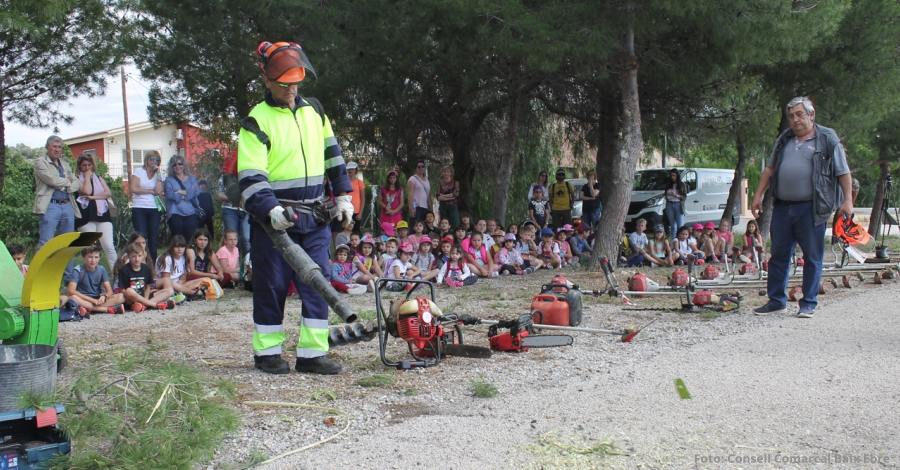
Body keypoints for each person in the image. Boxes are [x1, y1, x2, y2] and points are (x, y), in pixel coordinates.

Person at [237, 41, 354, 375]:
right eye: (284, 83)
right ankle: (267, 352)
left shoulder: (315, 111)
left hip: (316, 215)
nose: (291, 89)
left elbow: (334, 156)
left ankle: (312, 354)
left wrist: (344, 193)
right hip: (275, 220)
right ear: (267, 80)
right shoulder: (255, 122)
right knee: (271, 284)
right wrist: (269, 209)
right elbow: (251, 176)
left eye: (295, 83)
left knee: (319, 281)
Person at [751, 97, 852, 318]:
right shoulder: (784, 139)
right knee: (778, 255)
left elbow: (843, 172)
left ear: (811, 114)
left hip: (811, 209)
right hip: (782, 207)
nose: (795, 120)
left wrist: (848, 201)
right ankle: (776, 300)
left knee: (812, 257)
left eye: (800, 114)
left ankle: (808, 303)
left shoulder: (827, 139)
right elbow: (769, 170)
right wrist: (758, 195)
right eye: (791, 116)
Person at [33, 135, 80, 281]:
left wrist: (66, 185)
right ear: (47, 147)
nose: (57, 150)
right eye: (54, 146)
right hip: (50, 205)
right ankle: (37, 276)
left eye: (59, 147)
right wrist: (68, 182)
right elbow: (51, 180)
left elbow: (77, 182)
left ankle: (67, 279)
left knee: (68, 243)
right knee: (45, 242)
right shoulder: (40, 162)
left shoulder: (65, 164)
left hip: (67, 205)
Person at [73, 154, 117, 272]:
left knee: (109, 246)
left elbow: (107, 193)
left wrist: (93, 197)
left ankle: (118, 275)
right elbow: (87, 190)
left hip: (102, 215)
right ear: (79, 166)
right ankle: (91, 276)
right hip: (85, 217)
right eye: (84, 165)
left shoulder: (99, 178)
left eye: (89, 165)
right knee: (91, 248)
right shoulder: (76, 179)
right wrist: (87, 177)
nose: (87, 168)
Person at [60, 246, 126, 315]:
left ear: (99, 258)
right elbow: (71, 291)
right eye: (90, 257)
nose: (93, 260)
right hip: (83, 299)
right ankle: (106, 309)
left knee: (121, 296)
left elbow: (109, 291)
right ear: (83, 257)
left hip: (96, 299)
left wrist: (104, 297)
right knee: (73, 297)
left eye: (96, 257)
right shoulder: (78, 269)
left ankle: (89, 308)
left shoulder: (101, 270)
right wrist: (92, 300)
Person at [118, 242, 175, 312]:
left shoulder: (147, 268)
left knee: (170, 290)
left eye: (139, 256)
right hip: (131, 298)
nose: (137, 259)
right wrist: (135, 297)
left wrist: (146, 298)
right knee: (129, 291)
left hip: (143, 295)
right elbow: (122, 290)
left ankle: (144, 305)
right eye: (133, 256)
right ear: (129, 256)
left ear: (143, 256)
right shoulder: (124, 270)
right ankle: (154, 305)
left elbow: (148, 287)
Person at [130, 151, 165, 262]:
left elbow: (158, 191)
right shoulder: (139, 171)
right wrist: (150, 191)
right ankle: (140, 262)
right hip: (139, 207)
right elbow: (134, 188)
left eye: (157, 159)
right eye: (152, 159)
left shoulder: (159, 175)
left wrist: (158, 175)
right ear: (146, 159)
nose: (154, 161)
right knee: (140, 237)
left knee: (153, 239)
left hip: (154, 208)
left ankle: (152, 265)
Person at [164, 155, 201, 243]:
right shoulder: (169, 180)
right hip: (175, 212)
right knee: (177, 240)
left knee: (190, 240)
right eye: (174, 164)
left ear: (184, 165)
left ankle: (188, 256)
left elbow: (197, 192)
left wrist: (179, 191)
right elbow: (169, 194)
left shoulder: (192, 178)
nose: (177, 166)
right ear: (171, 167)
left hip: (191, 212)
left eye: (180, 163)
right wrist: (188, 193)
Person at [218, 172, 251, 255]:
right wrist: (237, 198)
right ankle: (230, 262)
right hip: (229, 210)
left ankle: (247, 264)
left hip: (245, 210)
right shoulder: (225, 176)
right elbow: (220, 195)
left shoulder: (247, 175)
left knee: (246, 238)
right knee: (231, 238)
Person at [664, 169, 687, 240]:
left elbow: (684, 197)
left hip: (678, 205)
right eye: (671, 175)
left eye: (674, 175)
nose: (672, 177)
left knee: (680, 226)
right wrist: (666, 196)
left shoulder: (682, 184)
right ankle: (673, 241)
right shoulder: (668, 185)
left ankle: (680, 241)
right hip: (670, 205)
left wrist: (675, 195)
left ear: (677, 176)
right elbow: (665, 194)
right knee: (672, 226)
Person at [407, 159, 431, 223]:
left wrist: (431, 209)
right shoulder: (412, 179)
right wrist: (410, 208)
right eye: (419, 167)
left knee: (424, 227)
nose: (421, 168)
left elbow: (428, 195)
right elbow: (410, 194)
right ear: (416, 168)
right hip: (416, 206)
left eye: (422, 167)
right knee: (415, 225)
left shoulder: (427, 181)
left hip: (425, 207)